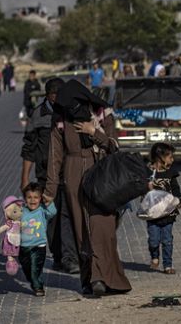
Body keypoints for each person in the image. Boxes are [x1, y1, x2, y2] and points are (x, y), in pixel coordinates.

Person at [44, 81, 131, 297]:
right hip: (73, 174)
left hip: (101, 175)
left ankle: (111, 279)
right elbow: (54, 159)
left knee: (103, 228)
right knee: (81, 229)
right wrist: (50, 191)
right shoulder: (60, 120)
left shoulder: (102, 113)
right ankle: (93, 279)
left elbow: (114, 147)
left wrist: (94, 131)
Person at [20, 77, 78, 273]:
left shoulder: (71, 111)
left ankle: (70, 257)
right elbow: (29, 147)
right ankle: (59, 256)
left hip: (69, 172)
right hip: (46, 175)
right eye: (54, 95)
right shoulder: (39, 114)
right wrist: (25, 178)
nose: (57, 99)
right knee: (52, 219)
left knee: (68, 215)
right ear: (48, 95)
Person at [146, 143, 181, 275]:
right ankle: (154, 256)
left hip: (169, 212)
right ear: (160, 157)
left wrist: (179, 199)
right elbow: (140, 189)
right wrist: (147, 187)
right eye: (170, 157)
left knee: (167, 240)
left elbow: (175, 188)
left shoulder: (171, 172)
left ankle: (168, 265)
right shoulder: (149, 173)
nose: (172, 160)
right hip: (153, 213)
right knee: (154, 240)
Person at [19, 182, 57, 296]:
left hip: (39, 246)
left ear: (40, 198)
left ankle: (38, 287)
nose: (32, 200)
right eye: (29, 197)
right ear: (25, 198)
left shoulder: (42, 210)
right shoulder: (22, 211)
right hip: (24, 247)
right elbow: (12, 217)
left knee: (36, 268)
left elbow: (53, 212)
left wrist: (47, 201)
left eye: (36, 197)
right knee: (26, 269)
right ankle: (33, 282)